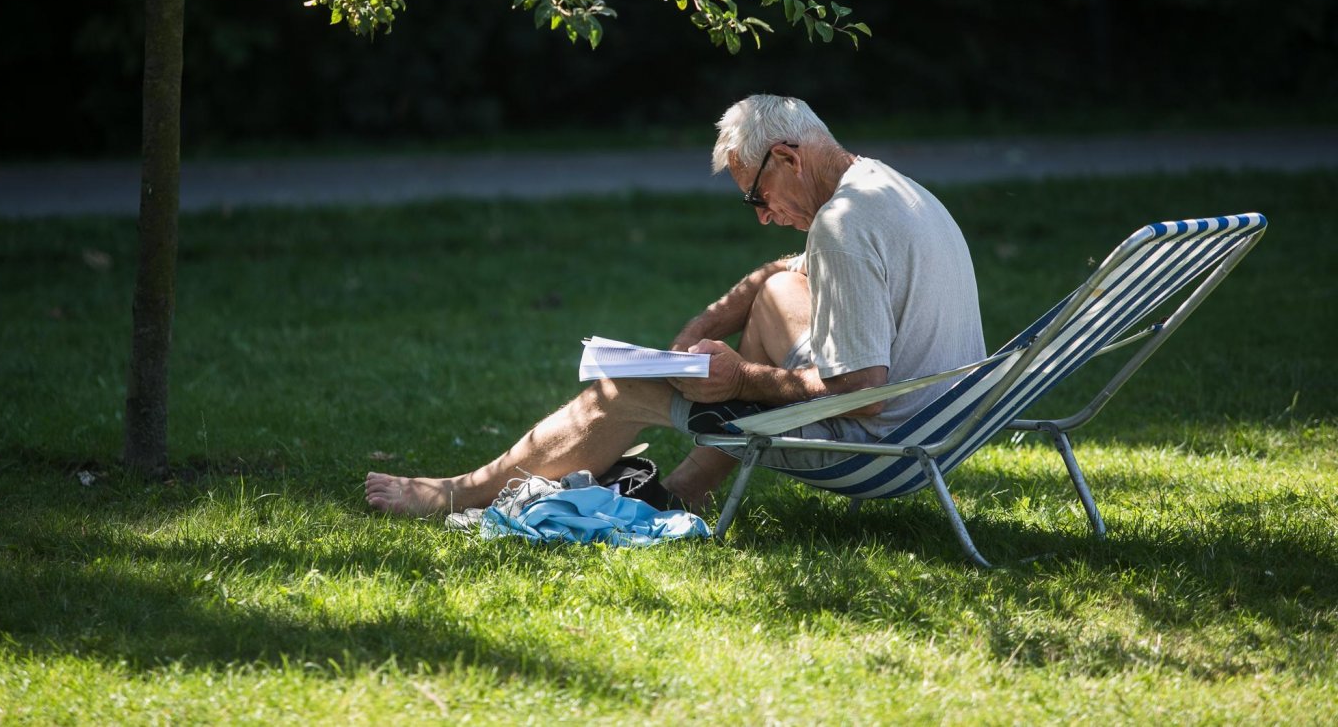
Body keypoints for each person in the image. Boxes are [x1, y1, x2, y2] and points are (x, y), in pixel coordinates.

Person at [365, 95, 985, 517]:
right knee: (772, 293)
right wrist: (707, 327)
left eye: (757, 197)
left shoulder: (842, 226)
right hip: (939, 424)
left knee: (621, 388)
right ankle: (684, 491)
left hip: (880, 447)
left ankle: (457, 493)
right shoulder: (882, 188)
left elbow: (865, 389)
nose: (765, 216)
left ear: (789, 158)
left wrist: (740, 378)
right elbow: (781, 276)